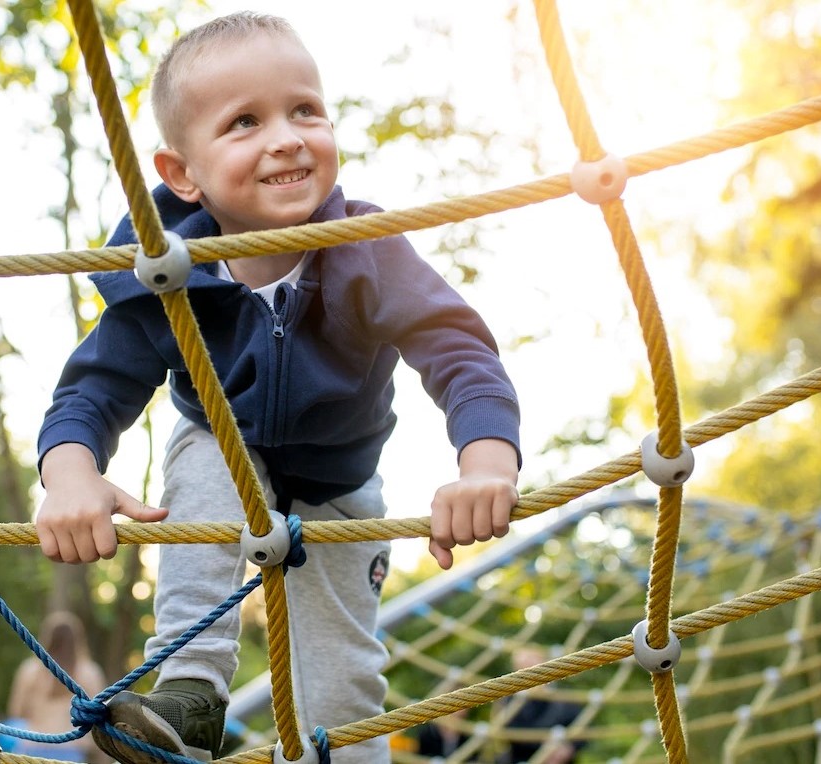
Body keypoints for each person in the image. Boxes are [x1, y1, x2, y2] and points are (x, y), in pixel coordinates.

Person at [34, 12, 521, 764]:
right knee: (204, 460)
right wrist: (71, 473)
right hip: (220, 455)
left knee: (341, 685)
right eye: (245, 122)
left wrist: (485, 463)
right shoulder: (167, 275)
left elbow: (457, 349)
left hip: (339, 482)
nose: (287, 136)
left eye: (305, 109)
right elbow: (92, 389)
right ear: (181, 173)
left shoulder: (365, 250)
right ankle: (191, 690)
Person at [3, 611, 107, 761]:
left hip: (34, 746)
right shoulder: (90, 674)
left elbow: (16, 711)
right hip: (71, 749)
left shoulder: (30, 670)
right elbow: (100, 719)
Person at [500, 647, 586, 764]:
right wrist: (544, 747)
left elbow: (582, 726)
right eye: (523, 668)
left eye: (533, 665)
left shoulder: (564, 697)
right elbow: (510, 732)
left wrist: (568, 748)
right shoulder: (510, 701)